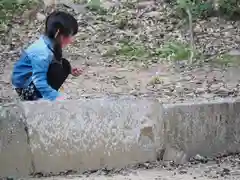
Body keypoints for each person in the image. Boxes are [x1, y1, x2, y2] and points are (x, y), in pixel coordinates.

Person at [11, 11, 83, 101]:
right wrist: (56, 97)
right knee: (57, 68)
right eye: (70, 35)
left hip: (32, 79)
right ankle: (39, 98)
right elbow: (39, 80)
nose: (71, 40)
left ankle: (47, 94)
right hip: (25, 88)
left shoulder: (50, 43)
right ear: (58, 33)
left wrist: (70, 70)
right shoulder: (41, 52)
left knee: (64, 65)